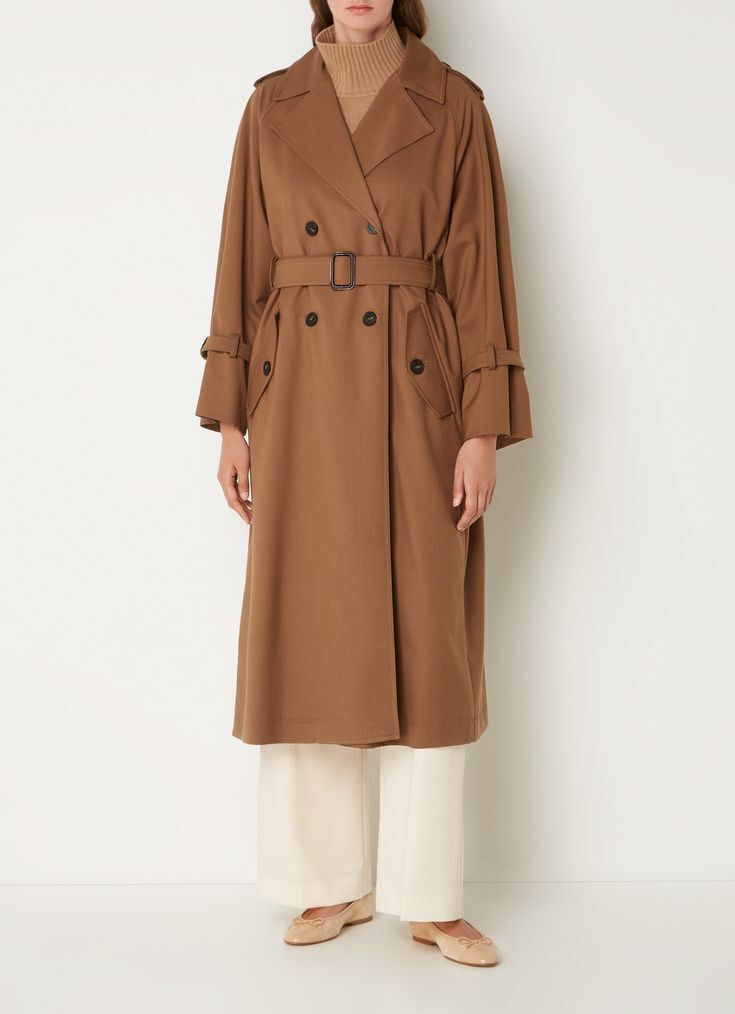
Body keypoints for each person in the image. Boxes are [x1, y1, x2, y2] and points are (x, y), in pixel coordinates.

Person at [195, 0, 532, 967]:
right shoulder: (270, 106)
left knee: (428, 635)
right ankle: (327, 880)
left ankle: (429, 895)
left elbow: (481, 275)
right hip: (297, 395)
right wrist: (230, 419)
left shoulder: (455, 105)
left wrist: (480, 427)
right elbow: (241, 268)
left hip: (417, 395)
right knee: (309, 627)